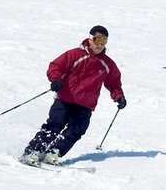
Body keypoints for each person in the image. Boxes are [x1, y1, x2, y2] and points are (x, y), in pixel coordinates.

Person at [21, 26, 126, 166]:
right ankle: (32, 152)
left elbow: (114, 82)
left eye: (104, 41)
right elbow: (55, 66)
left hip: (85, 105)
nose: (100, 45)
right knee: (54, 126)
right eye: (98, 40)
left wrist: (118, 96)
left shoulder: (107, 64)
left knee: (77, 130)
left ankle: (54, 152)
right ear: (90, 39)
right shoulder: (75, 54)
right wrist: (56, 80)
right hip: (65, 99)